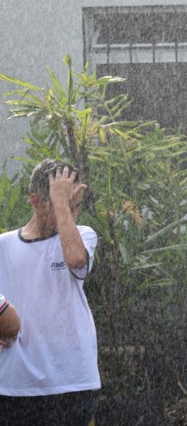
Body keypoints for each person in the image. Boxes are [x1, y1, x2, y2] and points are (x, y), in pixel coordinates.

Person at [0, 159, 101, 424]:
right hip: (14, 385)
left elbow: (76, 260)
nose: (65, 210)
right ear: (34, 200)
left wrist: (62, 205)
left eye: (70, 203)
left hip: (72, 382)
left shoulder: (84, 235)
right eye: (57, 203)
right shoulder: (3, 246)